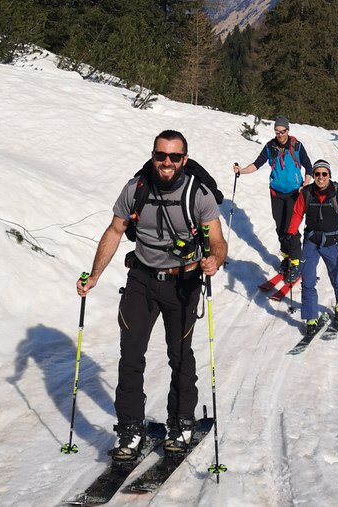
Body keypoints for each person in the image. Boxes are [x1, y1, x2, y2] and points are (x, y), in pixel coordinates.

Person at [77, 130, 227, 460]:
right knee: (130, 356)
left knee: (180, 354)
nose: (167, 162)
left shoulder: (198, 195)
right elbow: (115, 231)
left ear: (185, 160)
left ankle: (181, 421)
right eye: (161, 156)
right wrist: (95, 275)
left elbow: (217, 239)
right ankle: (130, 428)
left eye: (175, 157)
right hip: (141, 280)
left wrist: (215, 258)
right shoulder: (136, 189)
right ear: (153, 156)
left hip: (183, 283)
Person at [286, 160, 338, 338]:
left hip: (331, 242)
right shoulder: (306, 193)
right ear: (314, 175)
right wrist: (290, 234)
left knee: (336, 276)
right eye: (317, 174)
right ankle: (311, 318)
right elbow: (297, 214)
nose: (321, 178)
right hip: (311, 241)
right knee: (307, 279)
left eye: (324, 174)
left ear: (329, 175)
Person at [234, 115, 312, 280]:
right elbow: (257, 164)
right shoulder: (270, 147)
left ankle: (296, 264)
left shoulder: (296, 146)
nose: (280, 135)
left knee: (292, 228)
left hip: (294, 194)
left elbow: (308, 166)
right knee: (280, 227)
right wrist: (241, 171)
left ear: (287, 131)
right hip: (276, 193)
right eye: (277, 131)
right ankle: (286, 258)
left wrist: (305, 184)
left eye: (282, 131)